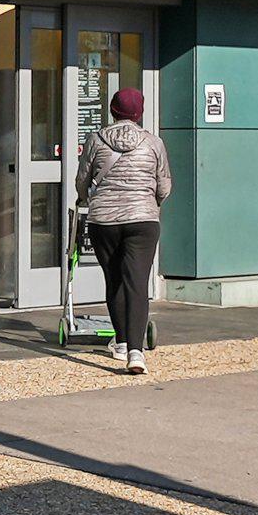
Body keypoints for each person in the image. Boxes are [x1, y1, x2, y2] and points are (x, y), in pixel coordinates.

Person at [74, 87, 172, 374]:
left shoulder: (96, 140)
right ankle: (136, 353)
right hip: (143, 221)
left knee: (114, 280)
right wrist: (149, 204)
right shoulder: (153, 143)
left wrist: (85, 198)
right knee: (137, 283)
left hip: (104, 221)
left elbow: (83, 179)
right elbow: (164, 186)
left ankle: (120, 342)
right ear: (139, 113)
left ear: (112, 110)